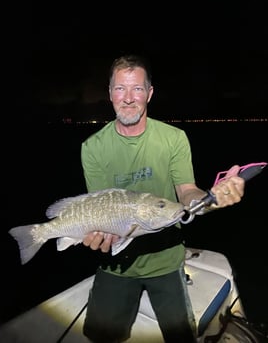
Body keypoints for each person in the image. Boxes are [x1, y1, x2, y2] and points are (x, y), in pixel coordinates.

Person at [80, 54, 245, 343]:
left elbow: (186, 193)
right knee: (99, 336)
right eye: (120, 88)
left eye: (137, 89)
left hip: (167, 261)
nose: (128, 98)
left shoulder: (173, 138)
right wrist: (98, 235)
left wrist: (211, 198)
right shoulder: (92, 147)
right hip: (117, 264)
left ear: (150, 93)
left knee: (181, 337)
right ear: (109, 93)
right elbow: (101, 206)